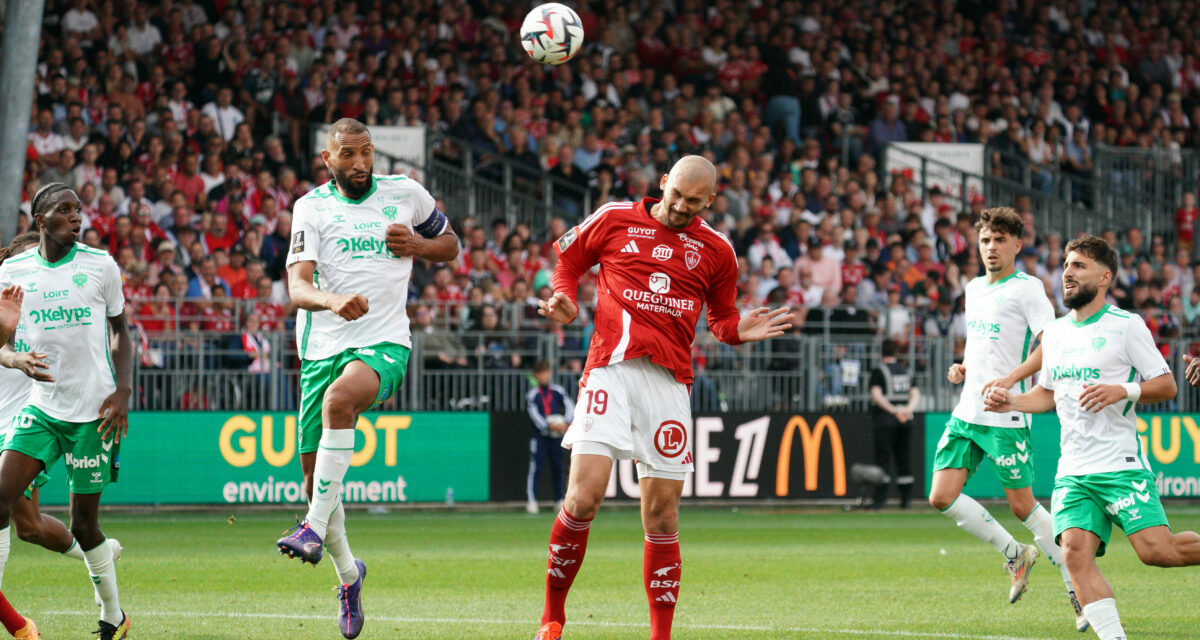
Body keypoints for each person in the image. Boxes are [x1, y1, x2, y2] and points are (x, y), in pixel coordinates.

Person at [534, 155, 793, 640]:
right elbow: (567, 262)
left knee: (661, 514)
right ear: (663, 183)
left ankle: (661, 636)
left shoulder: (717, 250)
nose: (680, 207)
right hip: (609, 368)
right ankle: (552, 617)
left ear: (709, 201)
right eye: (676, 194)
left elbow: (721, 320)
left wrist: (741, 331)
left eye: (693, 202)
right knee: (583, 497)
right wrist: (564, 299)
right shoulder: (614, 217)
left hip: (669, 383)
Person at [274, 119, 458, 640]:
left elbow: (452, 244)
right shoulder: (311, 207)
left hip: (384, 343)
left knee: (341, 402)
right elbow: (297, 285)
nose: (360, 164)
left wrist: (420, 247)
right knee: (316, 487)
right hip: (319, 349)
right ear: (327, 160)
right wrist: (331, 300)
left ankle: (309, 526)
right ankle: (350, 576)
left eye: (367, 153)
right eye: (348, 155)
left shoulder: (405, 193)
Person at [984, 235, 1200, 640]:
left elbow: (1167, 385)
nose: (1067, 272)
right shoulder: (1056, 334)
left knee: (1157, 551)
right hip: (1073, 470)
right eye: (1066, 265)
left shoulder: (1126, 326)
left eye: (1079, 266)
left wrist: (1125, 390)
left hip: (1119, 465)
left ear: (1104, 277)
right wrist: (1011, 400)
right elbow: (1047, 394)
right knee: (1073, 553)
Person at [931, 207, 1083, 631]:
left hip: (1005, 413)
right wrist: (962, 367)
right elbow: (983, 343)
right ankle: (1015, 554)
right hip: (968, 410)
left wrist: (1013, 381)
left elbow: (1049, 344)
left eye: (1000, 240)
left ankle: (1078, 587)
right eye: (985, 240)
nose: (991, 247)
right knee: (940, 496)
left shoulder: (1028, 288)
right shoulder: (973, 288)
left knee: (1023, 506)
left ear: (1017, 244)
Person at [0, 183, 132, 640]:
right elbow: (0, 341)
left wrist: (123, 390)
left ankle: (113, 613)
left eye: (79, 210)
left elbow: (121, 331)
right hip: (41, 408)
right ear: (39, 220)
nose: (76, 217)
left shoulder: (100, 265)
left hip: (94, 413)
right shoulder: (13, 270)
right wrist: (14, 356)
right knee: (1, 492)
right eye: (64, 210)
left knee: (84, 523)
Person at [867, 339, 919, 509]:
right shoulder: (906, 371)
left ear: (881, 352)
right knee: (904, 459)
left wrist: (894, 411)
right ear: (897, 353)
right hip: (905, 421)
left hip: (885, 420)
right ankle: (906, 500)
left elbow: (877, 396)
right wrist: (906, 411)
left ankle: (880, 500)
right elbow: (916, 394)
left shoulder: (878, 371)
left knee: (883, 459)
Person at [525, 361, 574, 515]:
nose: (544, 376)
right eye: (540, 373)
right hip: (540, 437)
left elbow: (570, 406)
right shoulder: (533, 395)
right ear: (536, 376)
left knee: (559, 468)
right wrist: (548, 425)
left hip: (557, 436)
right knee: (536, 468)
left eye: (546, 372)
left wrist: (565, 422)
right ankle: (532, 501)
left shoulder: (558, 391)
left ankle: (559, 500)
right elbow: (534, 415)